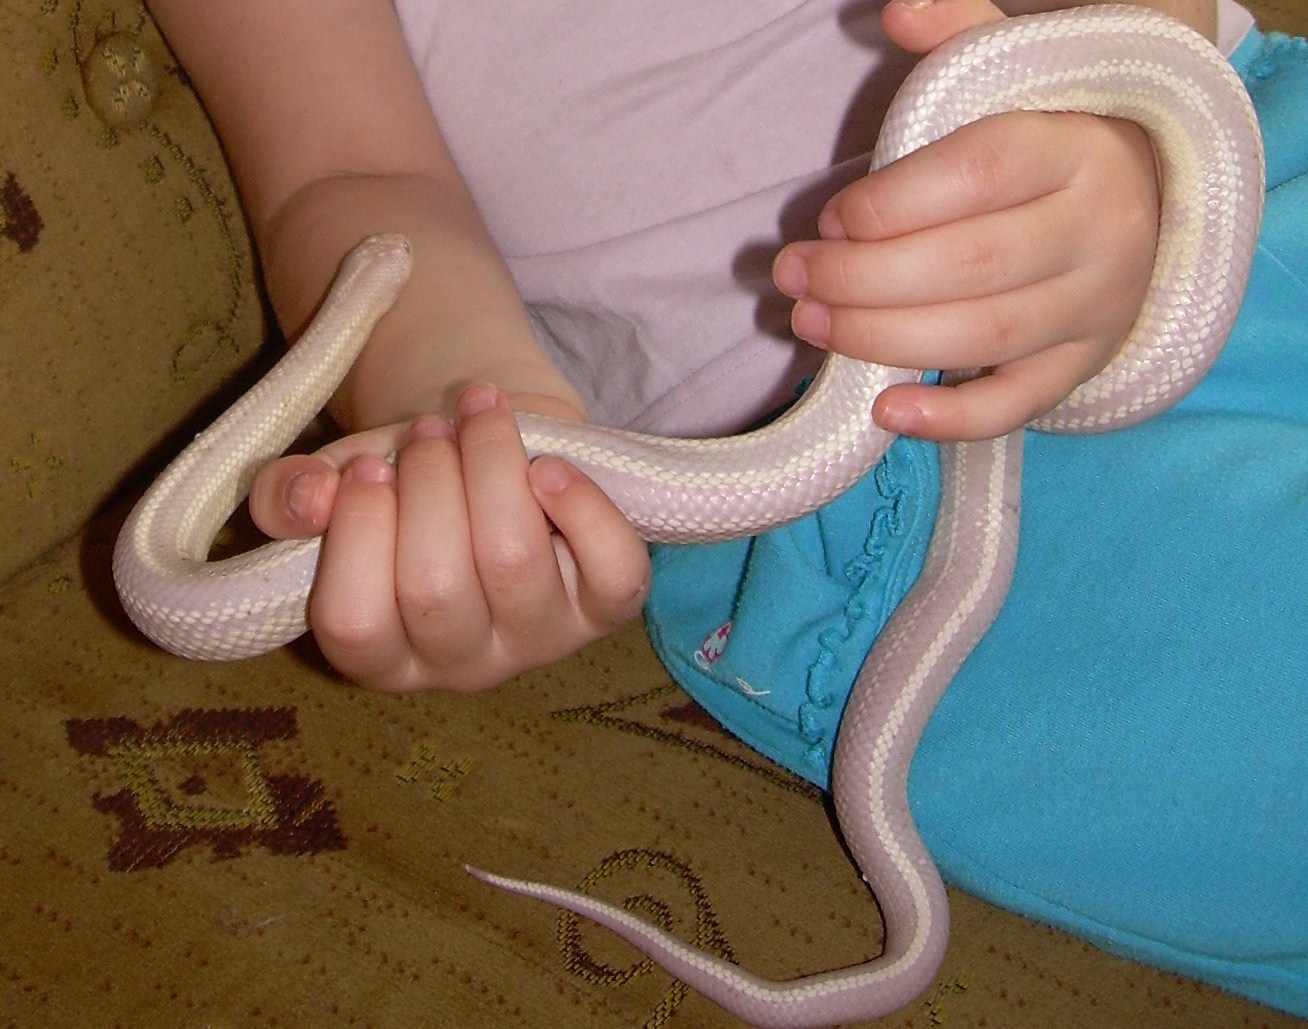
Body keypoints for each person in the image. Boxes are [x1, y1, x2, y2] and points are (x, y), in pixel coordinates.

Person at [146, 0, 1308, 1016]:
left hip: (1241, 127)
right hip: (871, 467)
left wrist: (1133, 112)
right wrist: (477, 429)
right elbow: (351, 179)